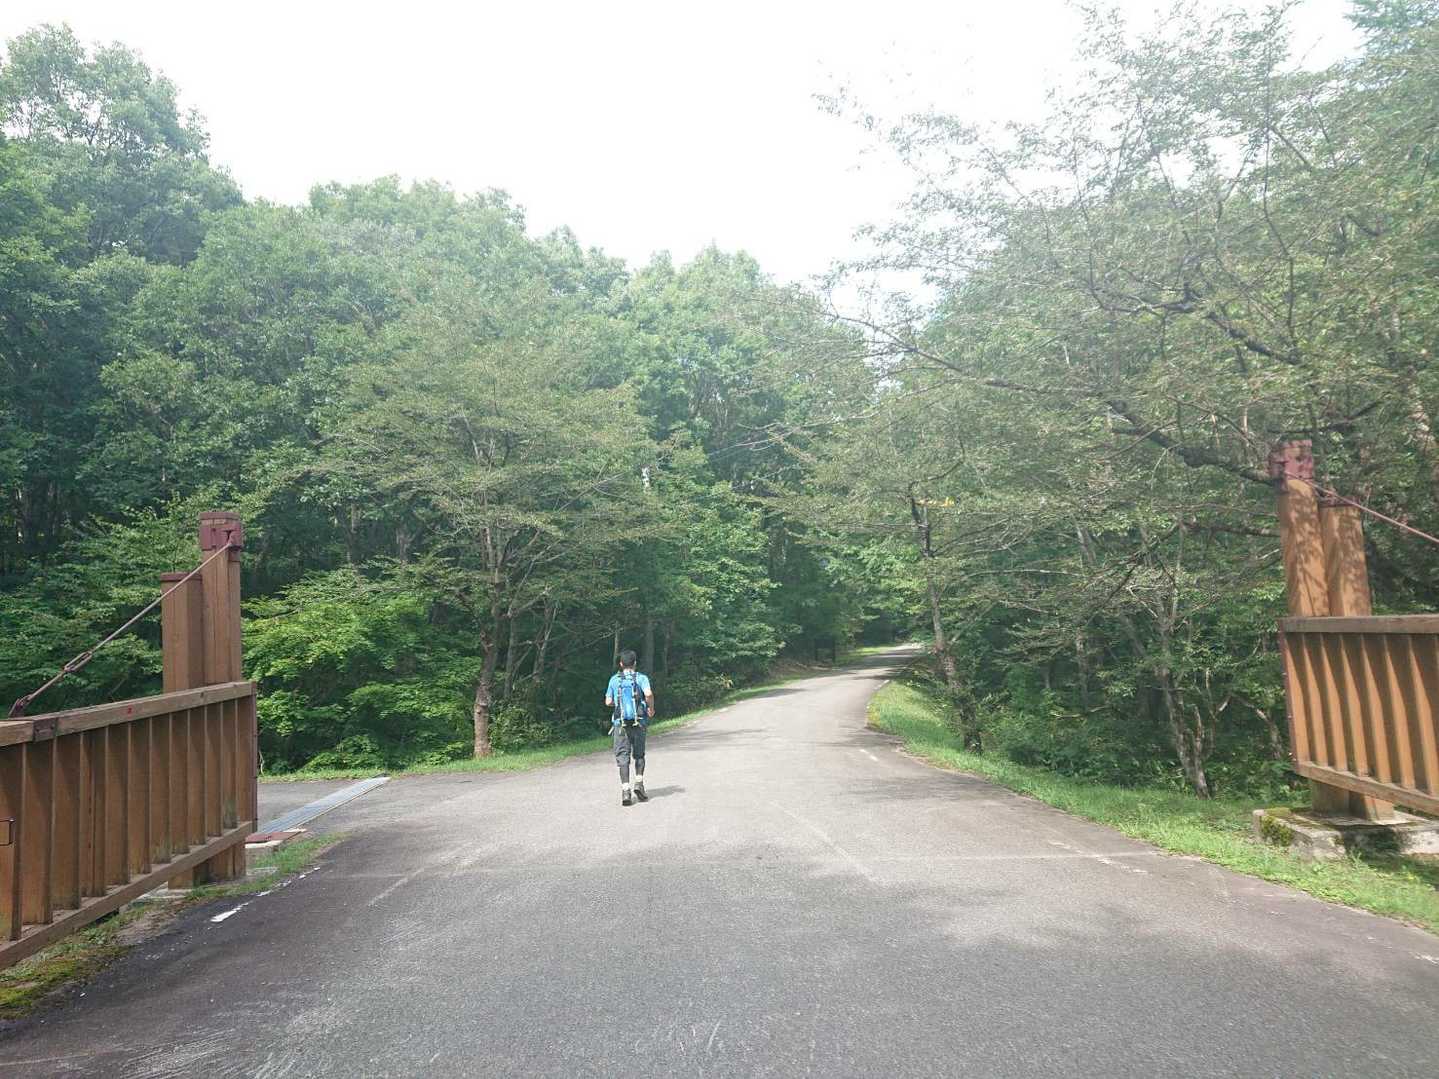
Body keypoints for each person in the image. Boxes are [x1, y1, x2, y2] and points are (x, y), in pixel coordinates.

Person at [605, 649, 655, 806]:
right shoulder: (641, 678)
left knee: (622, 757)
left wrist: (617, 704)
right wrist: (651, 708)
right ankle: (639, 783)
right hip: (638, 722)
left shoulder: (614, 680)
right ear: (635, 663)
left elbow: (608, 702)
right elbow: (648, 694)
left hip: (620, 725)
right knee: (639, 755)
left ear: (621, 664)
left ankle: (625, 791)